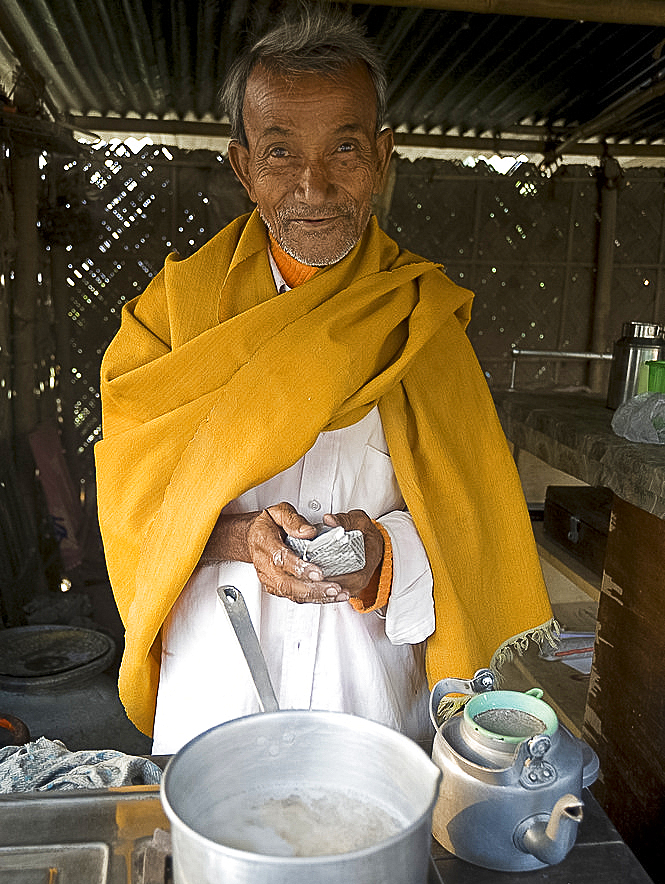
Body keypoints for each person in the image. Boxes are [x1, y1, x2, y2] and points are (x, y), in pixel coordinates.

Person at [95, 8, 555, 753]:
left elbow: (471, 528)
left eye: (343, 148)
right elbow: (132, 509)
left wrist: (381, 553)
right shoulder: (168, 322)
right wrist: (241, 537)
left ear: (380, 157)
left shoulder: (421, 324)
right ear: (244, 167)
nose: (313, 186)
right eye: (280, 152)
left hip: (367, 700)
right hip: (216, 692)